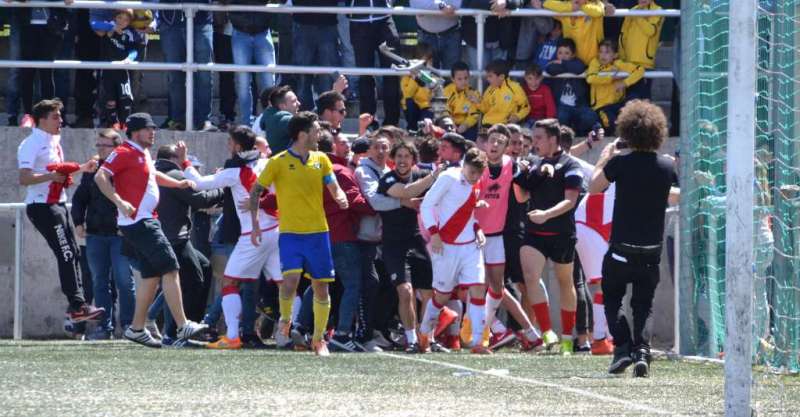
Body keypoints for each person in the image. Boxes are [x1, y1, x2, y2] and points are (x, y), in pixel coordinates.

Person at [94, 113, 208, 347]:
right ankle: (183, 324)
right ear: (135, 131)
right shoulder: (124, 152)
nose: (153, 132)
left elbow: (152, 176)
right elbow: (100, 176)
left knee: (152, 276)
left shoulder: (141, 153)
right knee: (171, 267)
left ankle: (136, 328)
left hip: (144, 221)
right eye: (148, 129)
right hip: (141, 222)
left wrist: (178, 183)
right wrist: (119, 201)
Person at [589, 100, 680, 377]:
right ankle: (642, 352)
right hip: (651, 250)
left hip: (620, 249)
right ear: (658, 133)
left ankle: (622, 348)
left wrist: (605, 155)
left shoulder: (620, 163)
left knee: (613, 299)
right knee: (644, 304)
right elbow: (676, 196)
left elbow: (594, 187)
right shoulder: (666, 166)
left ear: (627, 131)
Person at [250, 111, 349, 356]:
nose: (320, 134)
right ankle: (285, 321)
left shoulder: (321, 159)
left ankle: (318, 339)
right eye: (315, 130)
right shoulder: (278, 162)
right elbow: (256, 191)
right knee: (290, 281)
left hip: (318, 233)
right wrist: (255, 224)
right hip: (291, 234)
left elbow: (332, 184)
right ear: (302, 134)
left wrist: (339, 195)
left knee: (321, 287)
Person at [174, 127, 279, 349]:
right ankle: (292, 333)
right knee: (285, 283)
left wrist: (185, 162)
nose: (228, 146)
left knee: (230, 282)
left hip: (254, 234)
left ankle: (232, 336)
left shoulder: (236, 172)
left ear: (238, 147)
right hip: (276, 230)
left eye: (230, 142)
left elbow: (200, 183)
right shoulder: (267, 164)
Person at [17, 99, 104, 323]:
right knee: (66, 254)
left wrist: (83, 168)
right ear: (42, 120)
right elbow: (25, 178)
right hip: (42, 207)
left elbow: (61, 174)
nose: (61, 120)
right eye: (55, 117)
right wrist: (50, 177)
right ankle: (77, 307)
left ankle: (77, 306)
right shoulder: (31, 143)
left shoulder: (55, 141)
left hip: (58, 204)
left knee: (73, 253)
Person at [513, 118, 583, 354]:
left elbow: (570, 201)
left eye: (539, 138)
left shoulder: (571, 164)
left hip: (562, 232)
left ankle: (566, 338)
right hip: (534, 232)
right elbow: (521, 197)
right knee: (531, 276)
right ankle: (547, 333)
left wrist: (546, 214)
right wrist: (520, 175)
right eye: (533, 138)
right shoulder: (533, 163)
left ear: (553, 139)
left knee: (565, 282)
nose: (534, 143)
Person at [474, 124, 545, 351]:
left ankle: (518, 333)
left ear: (506, 148)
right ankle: (494, 331)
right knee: (473, 286)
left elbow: (526, 190)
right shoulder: (476, 166)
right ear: (485, 143)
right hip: (471, 234)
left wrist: (537, 172)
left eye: (499, 142)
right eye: (491, 140)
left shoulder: (511, 166)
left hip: (495, 236)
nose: (494, 145)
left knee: (496, 288)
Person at [419, 147, 491, 354]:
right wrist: (434, 233)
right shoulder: (448, 178)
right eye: (472, 172)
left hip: (470, 246)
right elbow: (426, 205)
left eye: (479, 173)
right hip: (446, 246)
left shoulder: (476, 182)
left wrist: (477, 229)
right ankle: (425, 332)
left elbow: (467, 212)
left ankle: (478, 342)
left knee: (478, 288)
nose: (475, 177)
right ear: (464, 165)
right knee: (441, 296)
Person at [153, 144, 224, 343]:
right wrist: (223, 188)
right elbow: (201, 200)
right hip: (175, 238)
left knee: (203, 267)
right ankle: (180, 331)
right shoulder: (175, 175)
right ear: (175, 158)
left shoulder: (156, 172)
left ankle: (182, 327)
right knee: (191, 281)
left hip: (167, 237)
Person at [377, 142, 444, 353]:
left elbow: (441, 195)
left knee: (428, 293)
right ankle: (412, 338)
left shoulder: (421, 174)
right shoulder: (388, 178)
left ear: (413, 160)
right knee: (405, 291)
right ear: (393, 159)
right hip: (393, 243)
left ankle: (428, 338)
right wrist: (433, 177)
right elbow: (406, 191)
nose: (402, 160)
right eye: (399, 156)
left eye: (407, 156)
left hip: (416, 240)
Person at [314, 126, 375, 352]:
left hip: (317, 235)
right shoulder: (339, 170)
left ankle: (300, 327)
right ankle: (341, 333)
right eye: (341, 143)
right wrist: (379, 208)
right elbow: (354, 201)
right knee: (352, 284)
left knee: (318, 283)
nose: (346, 146)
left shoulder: (308, 169)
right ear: (332, 147)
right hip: (341, 235)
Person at [71, 129, 136, 340]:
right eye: (98, 145)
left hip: (121, 235)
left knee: (124, 281)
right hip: (96, 235)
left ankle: (128, 326)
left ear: (116, 148)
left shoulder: (127, 168)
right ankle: (104, 327)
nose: (99, 149)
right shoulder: (92, 169)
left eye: (104, 146)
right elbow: (80, 198)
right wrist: (78, 222)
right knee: (99, 282)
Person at [155, 0, 214, 130]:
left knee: (204, 74)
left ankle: (203, 120)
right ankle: (177, 119)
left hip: (201, 19)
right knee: (174, 75)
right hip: (170, 20)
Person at [346, 0, 400, 126]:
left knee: (392, 72)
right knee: (365, 75)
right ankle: (368, 123)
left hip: (384, 18)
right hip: (358, 21)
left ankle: (392, 124)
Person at [17, 0, 70, 128]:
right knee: (27, 72)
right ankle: (28, 115)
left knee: (47, 73)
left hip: (50, 28)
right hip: (27, 27)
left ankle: (47, 115)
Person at [225, 0, 276, 125]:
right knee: (242, 82)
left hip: (263, 30)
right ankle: (245, 123)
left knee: (269, 81)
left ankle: (270, 122)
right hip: (240, 30)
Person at [288, 0, 340, 112]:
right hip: (302, 22)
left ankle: (326, 118)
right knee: (302, 76)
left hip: (327, 23)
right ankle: (304, 120)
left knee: (327, 76)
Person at [96, 9, 143, 129]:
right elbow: (95, 25)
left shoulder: (130, 33)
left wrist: (129, 59)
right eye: (119, 18)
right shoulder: (107, 28)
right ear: (114, 17)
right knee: (109, 99)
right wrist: (110, 29)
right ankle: (112, 122)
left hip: (122, 70)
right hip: (107, 69)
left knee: (125, 98)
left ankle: (125, 122)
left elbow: (133, 50)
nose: (122, 21)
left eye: (126, 19)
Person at [586, 40, 644, 131]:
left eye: (607, 52)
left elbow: (640, 70)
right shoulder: (595, 62)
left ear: (615, 55)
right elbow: (590, 78)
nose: (603, 55)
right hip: (601, 107)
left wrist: (624, 83)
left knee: (635, 100)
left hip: (617, 104)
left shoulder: (619, 64)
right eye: (601, 52)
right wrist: (611, 77)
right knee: (610, 125)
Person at [546, 39, 598, 136]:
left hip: (579, 104)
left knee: (591, 116)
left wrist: (562, 64)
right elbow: (550, 69)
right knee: (561, 117)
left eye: (567, 53)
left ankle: (579, 131)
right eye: (560, 53)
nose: (563, 56)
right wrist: (566, 66)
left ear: (573, 55)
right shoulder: (553, 63)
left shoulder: (577, 62)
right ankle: (566, 135)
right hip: (562, 106)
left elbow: (579, 68)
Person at [619, 0, 664, 99]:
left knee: (644, 101)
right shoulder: (632, 10)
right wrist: (622, 57)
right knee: (629, 100)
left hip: (645, 63)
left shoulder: (658, 10)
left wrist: (638, 16)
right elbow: (623, 35)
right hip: (629, 63)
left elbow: (651, 31)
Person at [542, 0, 605, 65]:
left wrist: (580, 7)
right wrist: (570, 7)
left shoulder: (596, 3)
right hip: (571, 62)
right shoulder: (566, 7)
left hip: (594, 60)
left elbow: (599, 11)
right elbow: (546, 4)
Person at [409, 0, 462, 70]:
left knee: (452, 75)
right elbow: (417, 4)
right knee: (426, 77)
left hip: (451, 35)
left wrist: (429, 7)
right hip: (425, 35)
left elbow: (457, 4)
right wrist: (441, 6)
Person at [478, 60, 530, 128]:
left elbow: (526, 107)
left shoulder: (515, 88)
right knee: (480, 139)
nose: (487, 79)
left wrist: (517, 116)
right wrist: (478, 102)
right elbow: (485, 109)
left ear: (501, 77)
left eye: (490, 76)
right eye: (487, 76)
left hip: (506, 125)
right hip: (488, 124)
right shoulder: (489, 89)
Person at [401, 43, 435, 129]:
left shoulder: (433, 75)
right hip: (411, 108)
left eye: (430, 60)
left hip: (426, 107)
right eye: (424, 63)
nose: (428, 64)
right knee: (410, 102)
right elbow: (408, 95)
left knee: (427, 119)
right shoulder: (407, 76)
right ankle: (411, 130)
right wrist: (415, 79)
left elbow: (432, 93)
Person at [443, 61, 480, 140]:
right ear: (452, 79)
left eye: (466, 78)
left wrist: (465, 125)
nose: (463, 81)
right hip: (450, 123)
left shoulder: (473, 93)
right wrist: (452, 124)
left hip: (466, 125)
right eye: (459, 79)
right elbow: (445, 110)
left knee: (471, 135)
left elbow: (474, 115)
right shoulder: (446, 91)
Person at [259, 85, 301, 155]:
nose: (299, 103)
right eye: (294, 101)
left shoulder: (270, 117)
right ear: (282, 106)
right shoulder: (285, 120)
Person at [522, 64, 556, 128]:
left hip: (543, 119)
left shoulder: (545, 89)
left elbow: (550, 108)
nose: (533, 82)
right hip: (528, 119)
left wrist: (548, 123)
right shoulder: (523, 89)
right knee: (525, 131)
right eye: (530, 78)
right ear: (525, 78)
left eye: (537, 79)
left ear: (541, 78)